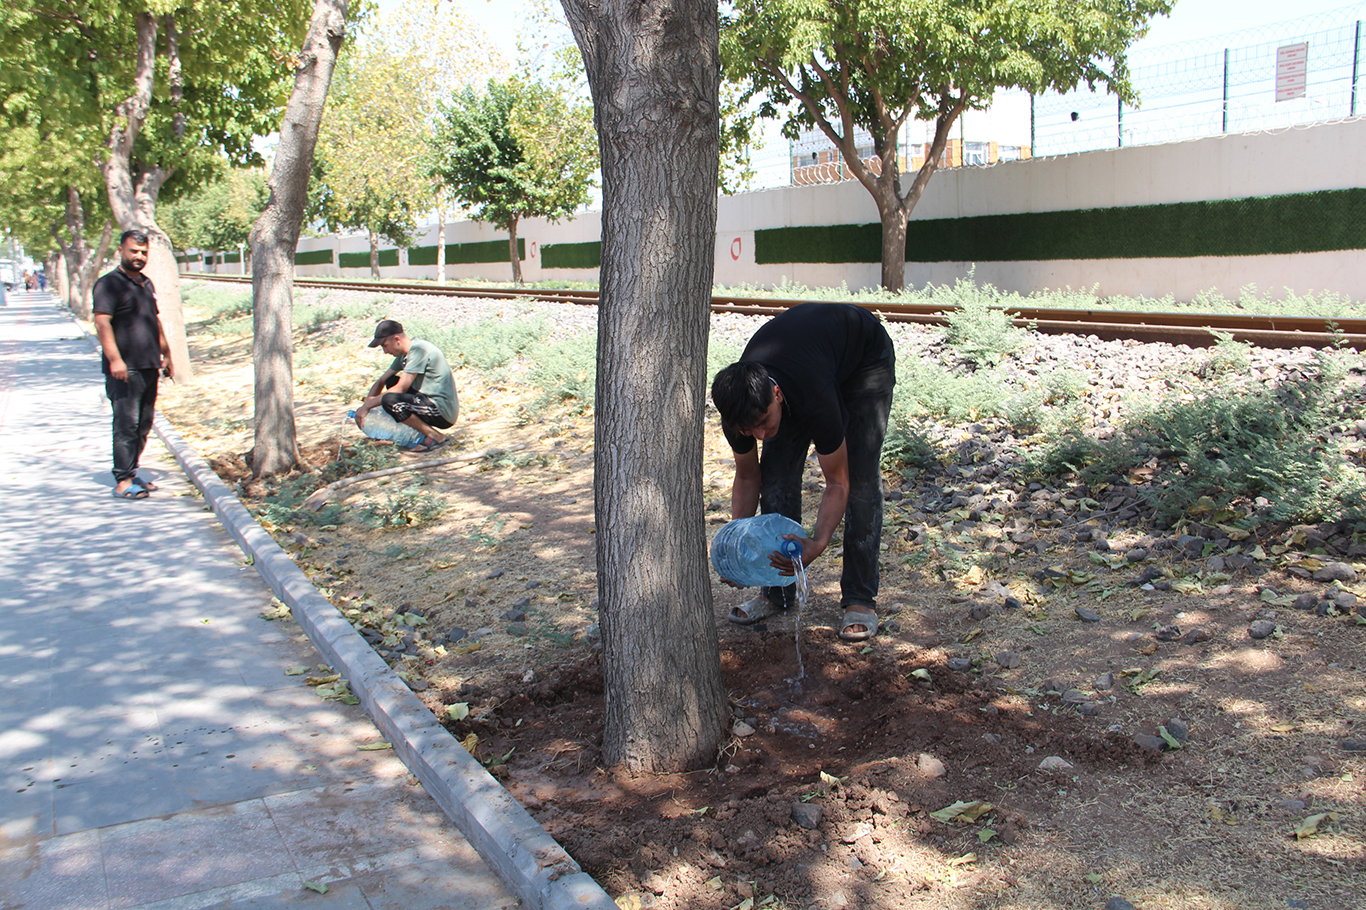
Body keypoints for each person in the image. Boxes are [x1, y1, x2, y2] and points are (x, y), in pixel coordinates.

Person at [711, 302, 896, 643]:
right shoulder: (740, 409)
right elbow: (749, 477)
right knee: (776, 477)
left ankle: (860, 598)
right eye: (751, 431)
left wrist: (818, 542)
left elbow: (837, 483)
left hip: (864, 360)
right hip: (810, 358)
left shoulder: (814, 399)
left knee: (860, 477)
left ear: (777, 395)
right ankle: (777, 592)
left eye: (764, 423)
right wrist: (736, 544)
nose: (761, 436)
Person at [92, 230, 173, 499]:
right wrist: (115, 359)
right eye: (134, 251)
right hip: (125, 369)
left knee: (143, 424)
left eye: (143, 252)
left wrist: (167, 354)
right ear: (121, 251)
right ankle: (123, 481)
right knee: (126, 425)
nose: (139, 256)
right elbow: (102, 322)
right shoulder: (109, 284)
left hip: (149, 365)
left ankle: (132, 470)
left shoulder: (146, 284)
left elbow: (154, 321)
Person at [354, 319, 458, 453]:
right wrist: (368, 405)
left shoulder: (419, 351)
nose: (385, 351)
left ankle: (436, 437)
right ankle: (421, 432)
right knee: (391, 381)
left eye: (385, 345)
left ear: (397, 339)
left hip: (442, 411)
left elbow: (401, 388)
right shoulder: (406, 355)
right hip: (426, 402)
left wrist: (367, 406)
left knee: (390, 400)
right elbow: (382, 380)